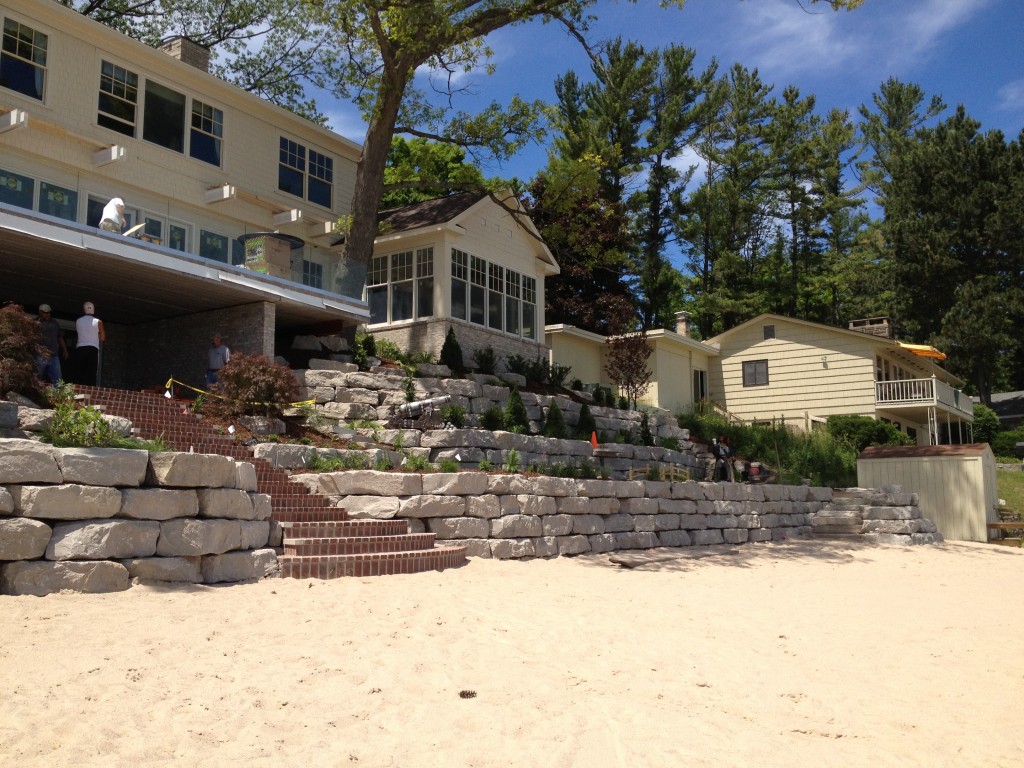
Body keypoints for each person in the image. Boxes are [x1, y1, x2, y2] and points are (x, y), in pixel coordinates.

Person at [35, 304, 68, 384]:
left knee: (58, 379)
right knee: (37, 377)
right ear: (40, 312)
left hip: (53, 355)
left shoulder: (54, 323)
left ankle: (57, 395)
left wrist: (65, 350)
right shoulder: (35, 323)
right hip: (40, 355)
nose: (47, 314)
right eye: (45, 312)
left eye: (48, 312)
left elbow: (59, 337)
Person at [75, 301, 105, 385]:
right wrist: (97, 335)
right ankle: (90, 393)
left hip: (80, 348)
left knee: (79, 372)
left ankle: (77, 391)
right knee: (91, 373)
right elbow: (103, 338)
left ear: (84, 310)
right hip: (93, 348)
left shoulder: (78, 321)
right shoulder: (99, 322)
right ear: (93, 310)